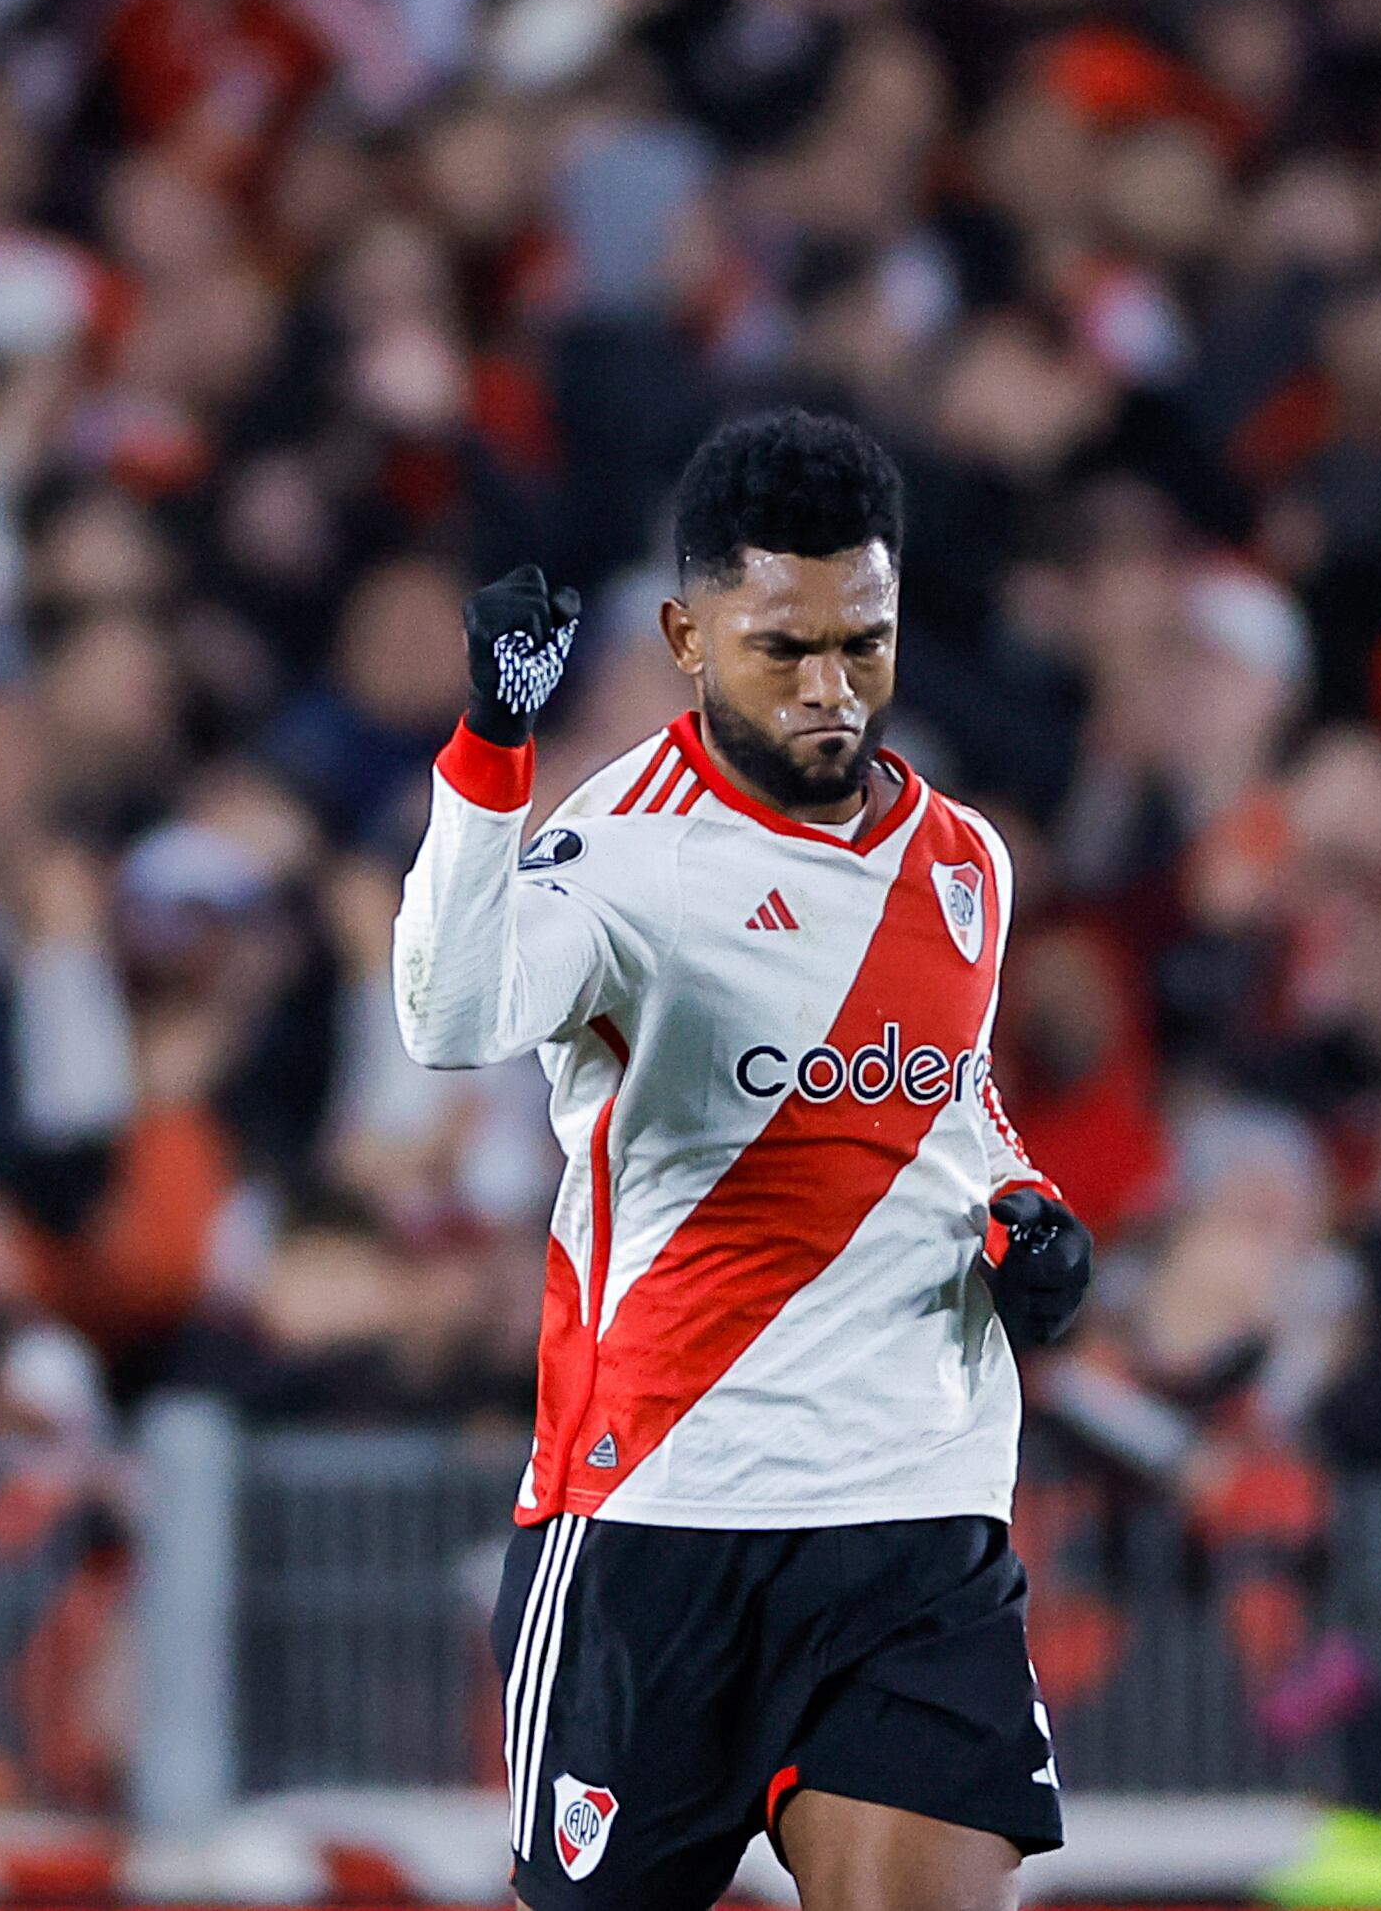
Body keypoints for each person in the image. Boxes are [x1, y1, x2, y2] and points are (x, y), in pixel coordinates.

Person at [392, 410, 1092, 1911]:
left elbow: (946, 1105)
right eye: (787, 649)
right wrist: (490, 752)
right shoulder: (626, 852)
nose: (835, 690)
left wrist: (1027, 1210)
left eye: (866, 641)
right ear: (688, 634)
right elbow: (451, 1019)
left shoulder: (966, 860)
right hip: (659, 1511)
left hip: (913, 1512)